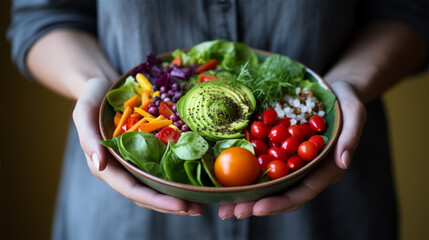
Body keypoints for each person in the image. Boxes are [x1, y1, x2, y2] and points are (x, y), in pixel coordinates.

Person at [8, 0, 428, 239]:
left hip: (330, 203)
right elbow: (42, 15)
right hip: (122, 216)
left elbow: (409, 9)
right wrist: (93, 86)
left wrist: (348, 83)